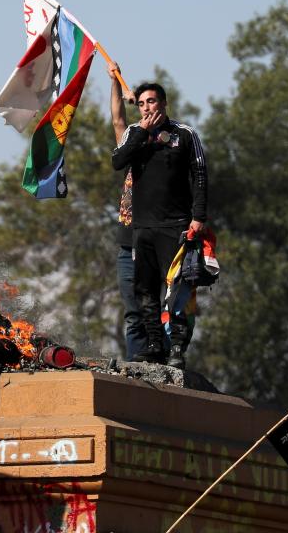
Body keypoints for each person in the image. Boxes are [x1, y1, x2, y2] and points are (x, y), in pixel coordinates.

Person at [108, 63, 208, 369]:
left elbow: (201, 175)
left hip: (177, 225)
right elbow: (117, 161)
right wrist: (142, 132)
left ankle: (177, 347)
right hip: (142, 228)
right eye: (141, 103)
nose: (146, 107)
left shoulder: (184, 134)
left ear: (163, 103)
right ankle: (153, 345)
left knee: (178, 290)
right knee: (145, 292)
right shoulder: (135, 135)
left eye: (151, 101)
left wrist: (199, 216)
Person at [107, 63, 145, 361]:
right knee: (132, 310)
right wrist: (115, 83)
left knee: (157, 308)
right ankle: (137, 366)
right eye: (142, 103)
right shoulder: (131, 140)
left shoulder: (167, 141)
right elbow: (118, 119)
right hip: (128, 240)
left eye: (150, 103)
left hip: (158, 235)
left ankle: (161, 361)